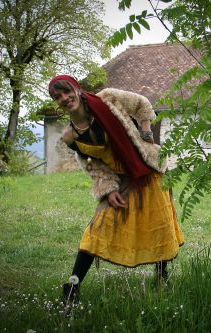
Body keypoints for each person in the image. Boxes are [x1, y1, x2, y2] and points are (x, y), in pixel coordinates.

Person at [47, 75, 184, 304]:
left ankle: (162, 276)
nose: (64, 98)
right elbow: (93, 166)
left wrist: (146, 132)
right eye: (57, 96)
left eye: (66, 91)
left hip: (146, 170)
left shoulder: (108, 99)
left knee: (158, 225)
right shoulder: (70, 136)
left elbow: (142, 104)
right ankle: (72, 288)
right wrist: (109, 189)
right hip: (120, 181)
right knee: (96, 230)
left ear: (77, 89)